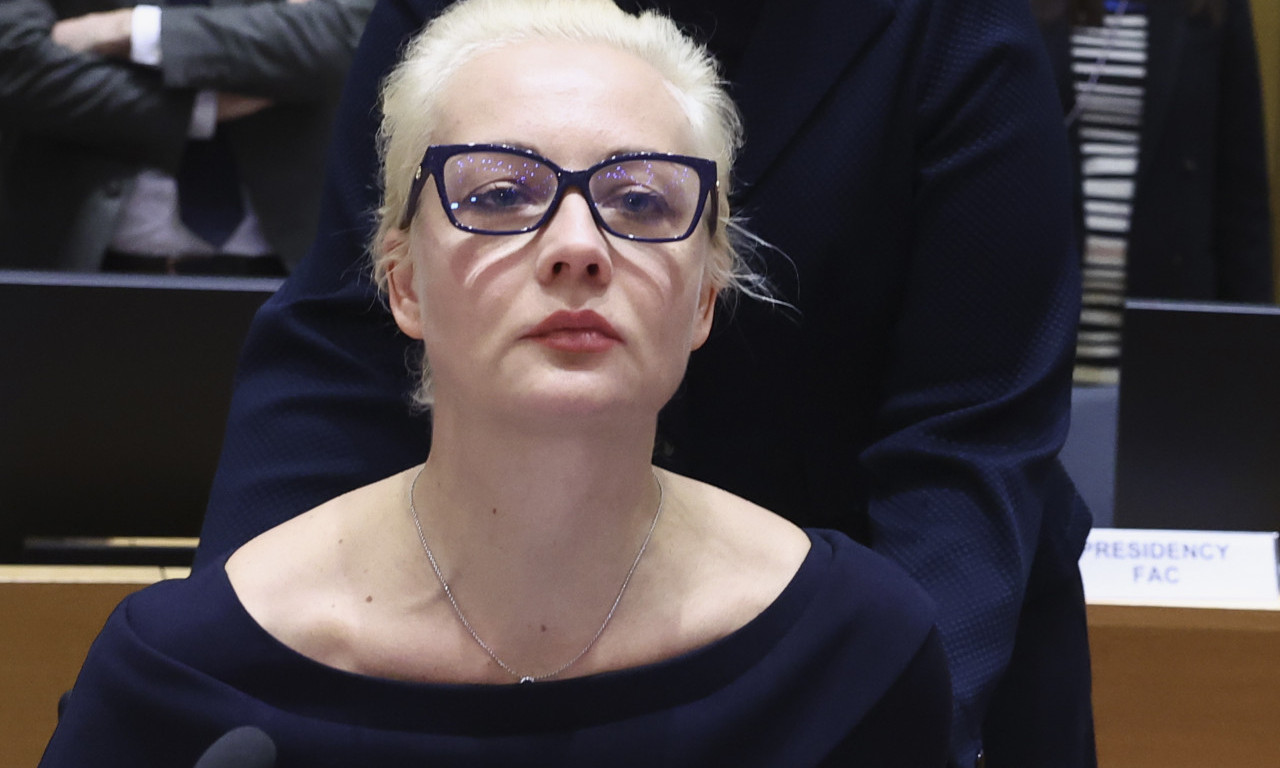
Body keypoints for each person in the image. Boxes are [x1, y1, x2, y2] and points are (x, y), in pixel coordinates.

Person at [40, 1, 953, 763]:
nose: (577, 247)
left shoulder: (853, 651)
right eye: (500, 195)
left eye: (640, 201)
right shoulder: (186, 671)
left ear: (706, 296)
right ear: (402, 283)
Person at [0, 0, 374, 274]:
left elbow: (349, 31)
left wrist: (134, 29)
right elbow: (16, 58)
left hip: (291, 266)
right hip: (76, 263)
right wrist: (200, 107)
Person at [1035, 0, 1274, 383]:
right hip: (1041, 330)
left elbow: (1242, 204)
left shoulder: (1214, 7)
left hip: (1170, 325)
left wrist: (1252, 361)